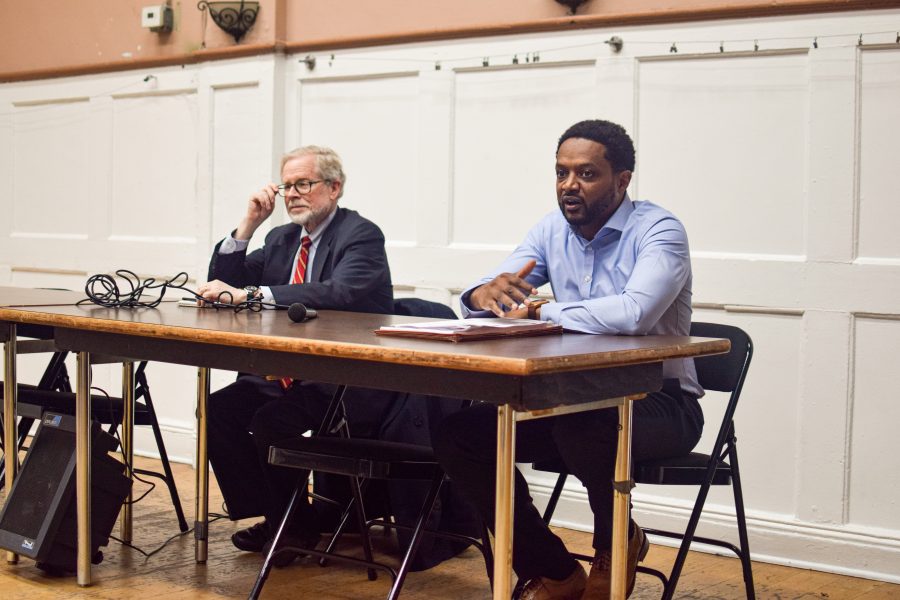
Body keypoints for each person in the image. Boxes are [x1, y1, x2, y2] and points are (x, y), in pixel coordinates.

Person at [433, 120, 704, 600]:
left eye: (586, 174)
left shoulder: (659, 229)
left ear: (622, 179)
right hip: (570, 402)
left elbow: (635, 312)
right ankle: (554, 569)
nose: (569, 186)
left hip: (660, 402)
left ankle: (616, 538)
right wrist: (482, 291)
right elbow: (494, 288)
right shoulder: (550, 229)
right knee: (462, 433)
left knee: (585, 419)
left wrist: (543, 308)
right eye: (561, 173)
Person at [198, 145, 394, 562]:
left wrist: (251, 294)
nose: (292, 195)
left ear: (334, 187)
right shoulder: (280, 237)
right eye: (287, 186)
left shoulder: (360, 235)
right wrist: (247, 225)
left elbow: (339, 293)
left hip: (344, 378)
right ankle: (282, 518)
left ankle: (292, 527)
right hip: (284, 373)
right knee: (220, 409)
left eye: (303, 184)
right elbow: (226, 282)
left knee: (270, 421)